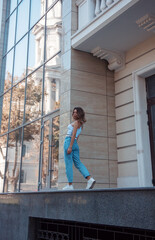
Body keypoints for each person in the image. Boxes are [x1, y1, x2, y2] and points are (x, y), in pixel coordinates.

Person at [63, 107, 96, 190]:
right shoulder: (81, 124)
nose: (74, 114)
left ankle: (70, 185)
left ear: (80, 114)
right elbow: (77, 136)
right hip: (74, 144)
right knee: (78, 163)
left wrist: (70, 146)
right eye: (73, 112)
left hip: (69, 142)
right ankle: (90, 179)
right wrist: (74, 145)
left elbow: (73, 135)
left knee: (68, 164)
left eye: (76, 112)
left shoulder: (76, 123)